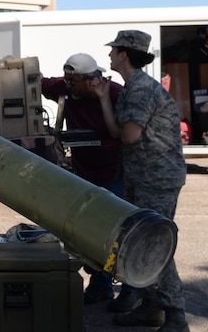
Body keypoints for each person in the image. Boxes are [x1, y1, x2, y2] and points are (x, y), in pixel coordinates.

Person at [94, 30, 189, 332]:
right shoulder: (130, 87)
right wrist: (102, 99)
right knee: (139, 243)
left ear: (124, 55)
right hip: (141, 176)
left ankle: (176, 317)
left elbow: (130, 136)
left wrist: (120, 126)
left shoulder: (141, 90)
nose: (109, 55)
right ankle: (151, 308)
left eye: (113, 50)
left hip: (156, 178)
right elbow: (115, 132)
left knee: (153, 246)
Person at [42, 53, 138, 312]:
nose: (68, 86)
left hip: (115, 173)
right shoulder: (66, 87)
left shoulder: (115, 93)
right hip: (86, 175)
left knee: (121, 232)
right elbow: (35, 81)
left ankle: (131, 290)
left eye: (74, 81)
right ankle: (100, 285)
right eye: (67, 81)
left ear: (91, 79)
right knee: (92, 232)